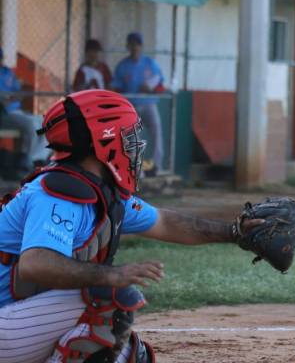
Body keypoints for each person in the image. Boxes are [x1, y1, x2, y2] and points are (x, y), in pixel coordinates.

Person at [0, 90, 273, 363]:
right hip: (7, 320)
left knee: (130, 355)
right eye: (126, 136)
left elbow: (166, 222)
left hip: (16, 319)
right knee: (106, 301)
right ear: (103, 139)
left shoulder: (99, 190)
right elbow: (36, 264)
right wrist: (111, 276)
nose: (134, 145)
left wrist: (234, 232)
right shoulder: (57, 193)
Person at [112, 32, 164, 175]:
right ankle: (136, 169)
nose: (135, 47)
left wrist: (151, 88)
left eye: (137, 44)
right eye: (132, 44)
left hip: (149, 104)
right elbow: (116, 88)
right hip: (131, 107)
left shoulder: (150, 63)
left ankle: (156, 166)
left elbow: (160, 84)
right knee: (133, 138)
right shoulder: (123, 66)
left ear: (141, 46)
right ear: (127, 46)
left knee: (156, 131)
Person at [0, 46, 48, 174]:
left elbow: (19, 90)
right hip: (4, 114)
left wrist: (18, 95)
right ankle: (26, 163)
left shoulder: (7, 72)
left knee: (46, 122)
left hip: (17, 111)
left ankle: (37, 159)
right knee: (31, 125)